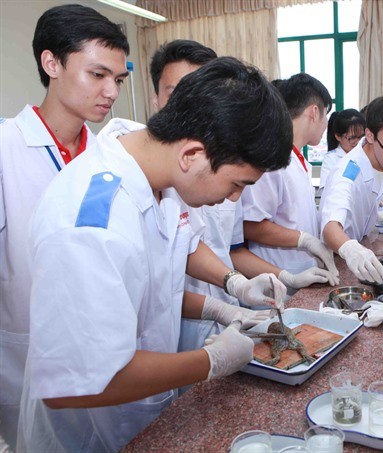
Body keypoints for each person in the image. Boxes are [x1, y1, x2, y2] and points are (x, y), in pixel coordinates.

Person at [18, 57, 293, 452]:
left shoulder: (158, 168)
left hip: (142, 416)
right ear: (193, 155)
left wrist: (233, 289)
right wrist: (210, 360)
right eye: (236, 184)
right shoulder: (92, 224)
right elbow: (74, 384)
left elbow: (176, 250)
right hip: (88, 434)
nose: (235, 198)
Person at [148, 41, 334, 355]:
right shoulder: (153, 180)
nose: (191, 110)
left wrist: (237, 284)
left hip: (227, 313)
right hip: (178, 329)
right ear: (156, 99)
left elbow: (216, 248)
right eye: (176, 93)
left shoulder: (220, 165)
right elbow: (154, 288)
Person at [0, 5, 130, 449]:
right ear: (51, 63)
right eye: (97, 75)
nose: (111, 91)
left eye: (118, 79)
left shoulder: (109, 157)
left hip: (102, 356)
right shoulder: (6, 151)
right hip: (24, 359)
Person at [241, 73, 339, 283]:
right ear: (314, 112)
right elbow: (251, 224)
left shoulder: (296, 156)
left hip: (302, 272)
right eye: (326, 115)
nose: (326, 125)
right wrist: (304, 240)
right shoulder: (271, 159)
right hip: (275, 279)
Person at [319, 92, 383, 283]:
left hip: (362, 247)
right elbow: (330, 227)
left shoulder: (381, 159)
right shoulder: (349, 171)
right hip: (340, 263)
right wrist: (351, 249)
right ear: (370, 135)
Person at [319, 108, 366, 193]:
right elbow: (325, 190)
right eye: (352, 138)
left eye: (361, 137)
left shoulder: (367, 154)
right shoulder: (331, 158)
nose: (358, 142)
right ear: (338, 136)